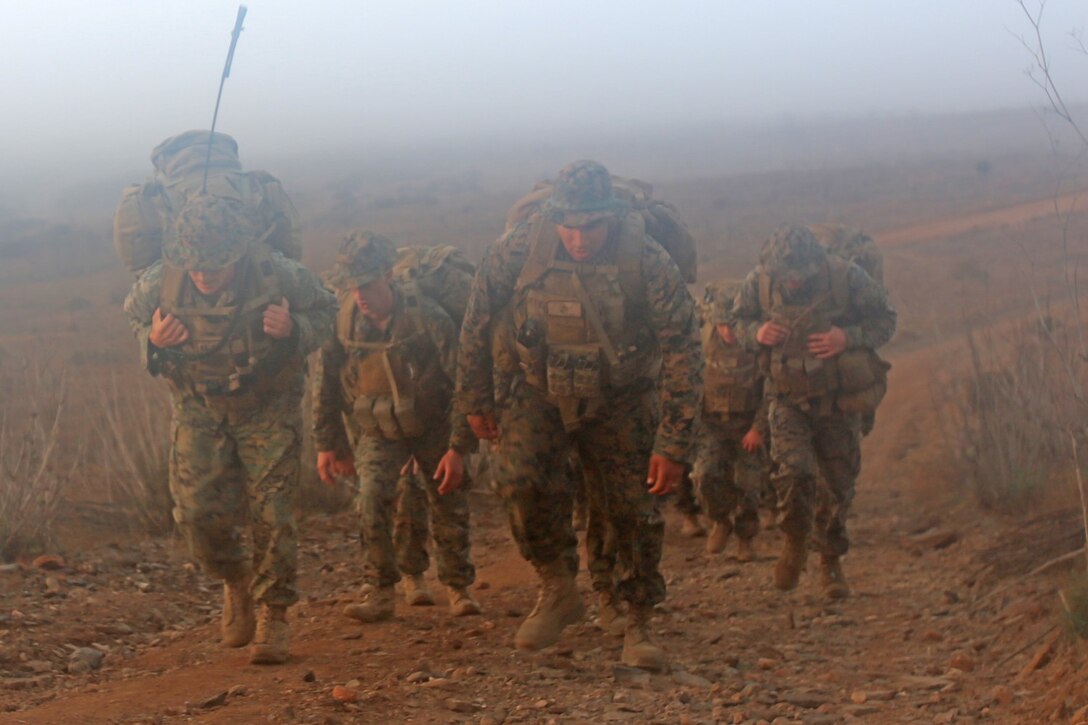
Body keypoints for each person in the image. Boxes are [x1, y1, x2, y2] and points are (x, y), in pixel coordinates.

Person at [456, 160, 702, 671]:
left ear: (610, 217)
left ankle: (635, 617)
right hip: (537, 389)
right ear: (553, 217)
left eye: (591, 226)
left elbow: (683, 348)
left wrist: (674, 442)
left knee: (631, 507)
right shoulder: (520, 247)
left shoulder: (645, 258)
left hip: (621, 396)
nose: (579, 238)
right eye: (568, 226)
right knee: (519, 481)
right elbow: (476, 320)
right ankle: (557, 586)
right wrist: (474, 400)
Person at [124, 193, 336, 664]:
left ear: (237, 254)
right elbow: (134, 316)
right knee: (195, 513)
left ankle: (273, 615)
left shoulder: (278, 273)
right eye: (195, 265)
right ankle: (235, 578)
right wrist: (152, 340)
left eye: (214, 265)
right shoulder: (163, 280)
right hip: (199, 406)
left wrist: (295, 329)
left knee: (273, 513)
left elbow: (329, 310)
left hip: (267, 405)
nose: (202, 275)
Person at [313, 232, 480, 622]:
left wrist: (458, 447)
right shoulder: (344, 320)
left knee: (448, 500)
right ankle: (380, 591)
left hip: (433, 424)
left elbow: (464, 382)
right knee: (371, 498)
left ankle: (458, 586)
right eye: (352, 286)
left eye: (368, 284)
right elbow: (326, 384)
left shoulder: (427, 317)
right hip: (378, 429)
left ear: (388, 275)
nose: (360, 296)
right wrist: (328, 444)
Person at [727, 224, 895, 598]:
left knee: (837, 487)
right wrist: (756, 333)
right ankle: (795, 541)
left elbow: (886, 319)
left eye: (801, 276)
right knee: (794, 472)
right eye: (786, 277)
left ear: (816, 265)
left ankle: (830, 561)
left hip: (838, 401)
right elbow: (736, 321)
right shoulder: (759, 281)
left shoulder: (847, 277)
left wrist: (847, 337)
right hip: (786, 399)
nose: (793, 283)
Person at [692, 280, 770, 561]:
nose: (728, 332)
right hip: (711, 423)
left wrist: (758, 428)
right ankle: (720, 520)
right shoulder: (702, 339)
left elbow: (771, 390)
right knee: (704, 475)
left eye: (733, 325)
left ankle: (745, 537)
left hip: (747, 424)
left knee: (749, 485)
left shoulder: (758, 346)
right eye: (723, 325)